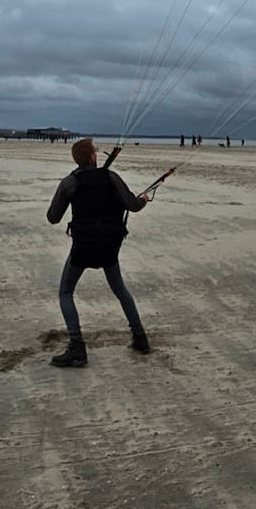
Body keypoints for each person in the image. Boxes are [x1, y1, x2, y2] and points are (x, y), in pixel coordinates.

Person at [46, 137, 150, 367]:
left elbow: (53, 217)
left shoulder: (70, 182)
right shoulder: (110, 177)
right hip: (109, 244)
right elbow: (132, 205)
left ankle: (77, 347)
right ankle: (140, 338)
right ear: (93, 157)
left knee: (65, 292)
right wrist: (143, 200)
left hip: (84, 245)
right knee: (120, 289)